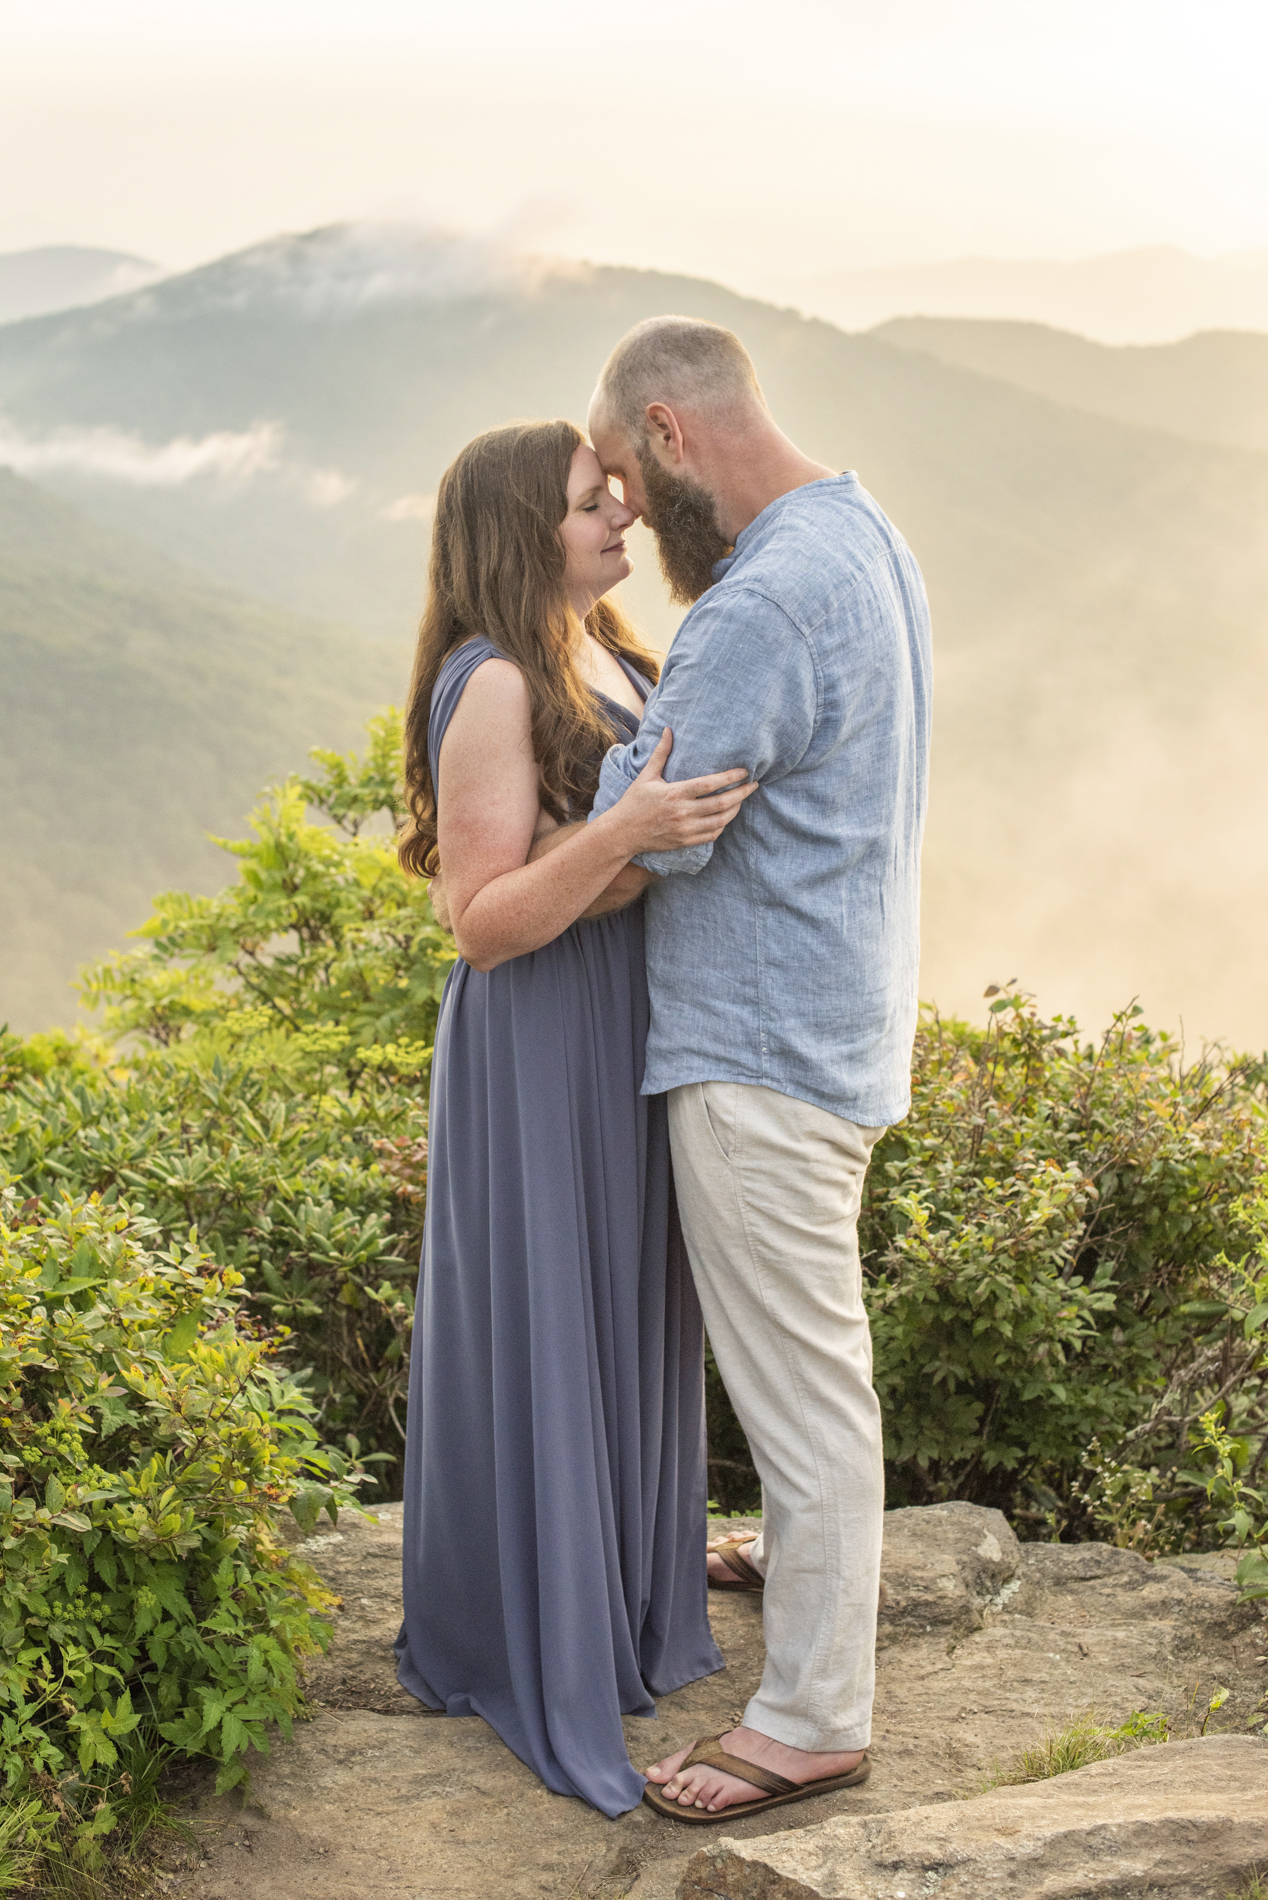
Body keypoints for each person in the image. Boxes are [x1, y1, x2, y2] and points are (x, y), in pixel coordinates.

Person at [584, 316, 933, 1822]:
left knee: (804, 1387)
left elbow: (650, 824)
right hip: (838, 1016)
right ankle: (797, 1556)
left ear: (670, 435)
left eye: (621, 475)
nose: (625, 514)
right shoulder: (859, 537)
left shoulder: (753, 609)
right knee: (811, 1358)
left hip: (758, 1044)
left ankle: (809, 1718)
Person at [392, 418, 757, 1818]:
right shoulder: (490, 681)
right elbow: (482, 922)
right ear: (513, 530)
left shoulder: (594, 643)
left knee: (622, 1306)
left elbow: (611, 855)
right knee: (557, 1311)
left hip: (619, 1016)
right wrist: (622, 840)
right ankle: (531, 1634)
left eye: (613, 493)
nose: (620, 516)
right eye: (587, 502)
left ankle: (617, 1599)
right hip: (543, 1034)